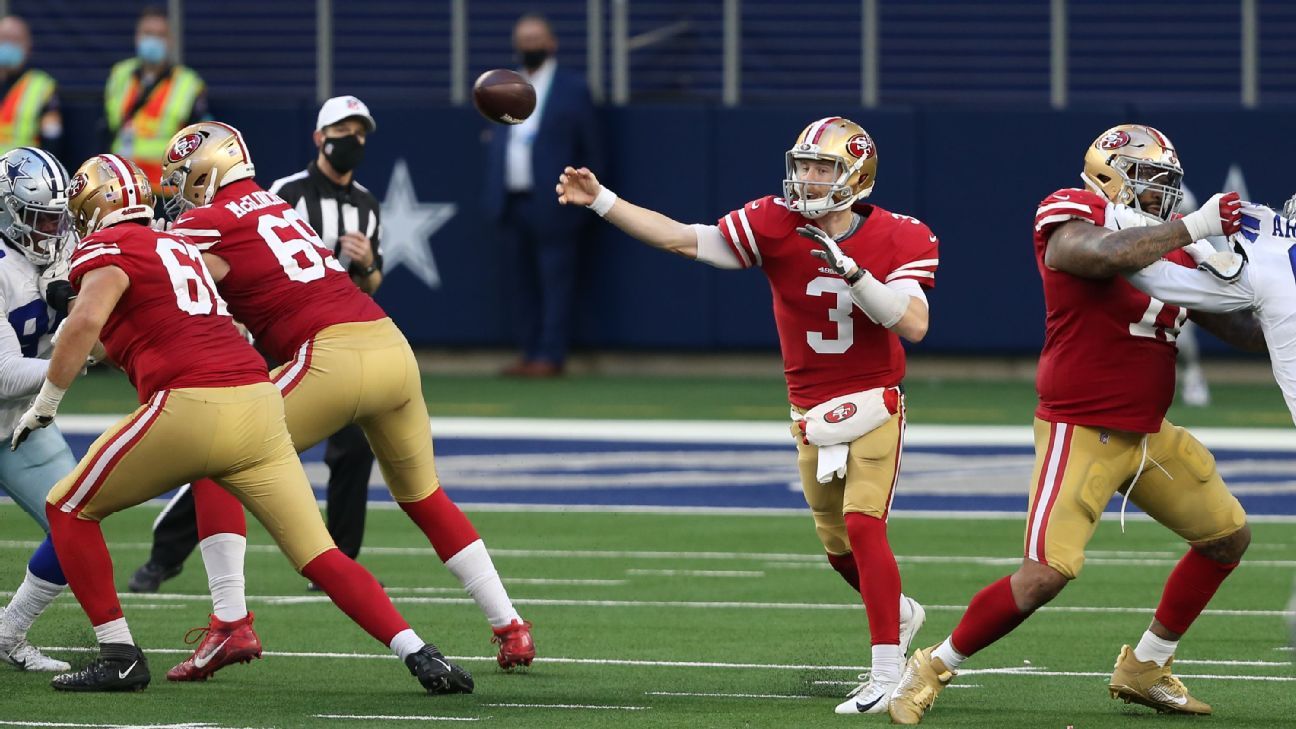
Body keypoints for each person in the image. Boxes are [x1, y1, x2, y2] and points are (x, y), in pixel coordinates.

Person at [12, 152, 473, 695]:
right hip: (258, 400)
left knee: (68, 508)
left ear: (92, 207)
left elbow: (88, 321)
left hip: (192, 402)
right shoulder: (176, 245)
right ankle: (419, 653)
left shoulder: (109, 246)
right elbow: (128, 337)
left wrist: (47, 402)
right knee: (319, 554)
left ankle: (119, 655)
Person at [887, 125, 1266, 724]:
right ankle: (932, 665)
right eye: (1149, 179)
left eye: (1167, 181)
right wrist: (1193, 228)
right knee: (1043, 576)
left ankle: (1145, 666)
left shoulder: (1174, 245)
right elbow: (1094, 254)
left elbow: (1241, 330)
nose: (1162, 192)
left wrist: (1274, 293)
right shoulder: (1075, 210)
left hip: (1148, 432)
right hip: (1082, 427)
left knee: (1227, 539)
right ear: (1108, 175)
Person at [555, 116, 930, 714]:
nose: (808, 179)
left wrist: (855, 274)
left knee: (864, 526)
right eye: (804, 166)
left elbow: (912, 324)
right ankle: (900, 613)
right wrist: (602, 200)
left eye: (823, 168)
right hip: (810, 409)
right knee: (838, 548)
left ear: (856, 176)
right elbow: (682, 239)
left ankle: (887, 672)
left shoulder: (901, 235)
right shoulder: (775, 222)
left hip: (873, 400)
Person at [155, 122, 533, 681]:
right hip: (390, 346)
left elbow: (160, 274)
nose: (178, 192)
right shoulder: (276, 207)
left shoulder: (210, 221)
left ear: (208, 171)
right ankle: (511, 627)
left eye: (184, 178)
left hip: (331, 356)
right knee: (424, 496)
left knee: (216, 453)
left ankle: (228, 621)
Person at [128, 95, 384, 593]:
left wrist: (369, 262)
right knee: (234, 444)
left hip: (332, 338)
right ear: (319, 137)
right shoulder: (283, 193)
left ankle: (341, 561)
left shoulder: (367, 205)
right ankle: (166, 555)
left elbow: (371, 283)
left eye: (360, 132)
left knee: (354, 445)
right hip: (272, 333)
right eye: (342, 130)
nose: (352, 140)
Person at [485, 12, 602, 378]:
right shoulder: (505, 85)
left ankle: (550, 355)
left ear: (551, 43)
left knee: (556, 281)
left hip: (555, 202)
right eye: (524, 40)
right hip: (511, 200)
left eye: (536, 39)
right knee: (520, 282)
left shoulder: (572, 88)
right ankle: (529, 350)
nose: (530, 46)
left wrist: (586, 197)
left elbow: (593, 147)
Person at [0, 146, 78, 672]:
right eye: (40, 217)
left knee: (76, 527)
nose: (52, 229)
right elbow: (4, 374)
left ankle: (8, 633)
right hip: (15, 400)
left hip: (19, 425)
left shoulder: (62, 247)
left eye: (58, 217)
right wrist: (73, 354)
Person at [101, 5, 207, 194]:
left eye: (160, 35)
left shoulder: (188, 83)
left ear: (170, 41)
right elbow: (107, 127)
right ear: (137, 37)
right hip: (122, 184)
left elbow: (199, 143)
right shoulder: (119, 74)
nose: (153, 40)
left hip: (165, 189)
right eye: (148, 33)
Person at [0, 17, 62, 160]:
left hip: (22, 170)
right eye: (4, 38)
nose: (9, 45)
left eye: (16, 40)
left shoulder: (42, 87)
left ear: (29, 46)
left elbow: (52, 137)